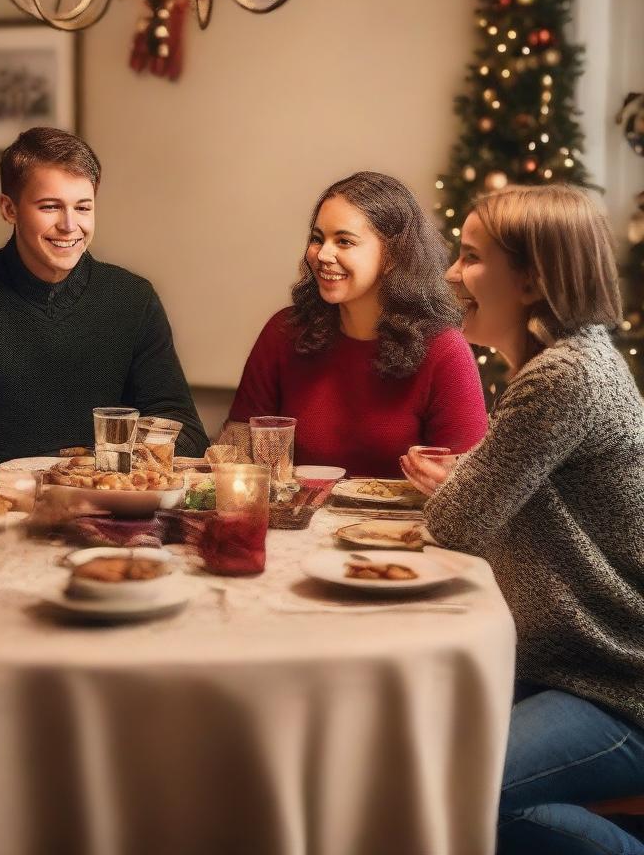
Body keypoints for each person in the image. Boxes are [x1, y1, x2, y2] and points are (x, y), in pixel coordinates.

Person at [401, 185, 644, 855]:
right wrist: (466, 486)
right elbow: (489, 498)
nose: (451, 272)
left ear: (533, 277)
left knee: (451, 787)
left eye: (472, 257)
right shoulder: (564, 360)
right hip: (563, 668)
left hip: (617, 690)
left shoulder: (563, 376)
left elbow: (456, 523)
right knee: (406, 744)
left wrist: (461, 491)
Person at [0, 126, 208, 464]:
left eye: (83, 208)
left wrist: (94, 466)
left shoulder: (133, 298)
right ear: (9, 209)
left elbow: (186, 430)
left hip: (106, 498)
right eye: (50, 207)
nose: (70, 225)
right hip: (1, 503)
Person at [228, 171, 487, 476]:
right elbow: (237, 455)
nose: (323, 254)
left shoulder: (444, 349)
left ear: (392, 255)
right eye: (317, 238)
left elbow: (472, 487)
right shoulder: (283, 332)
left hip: (403, 525)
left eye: (344, 241)